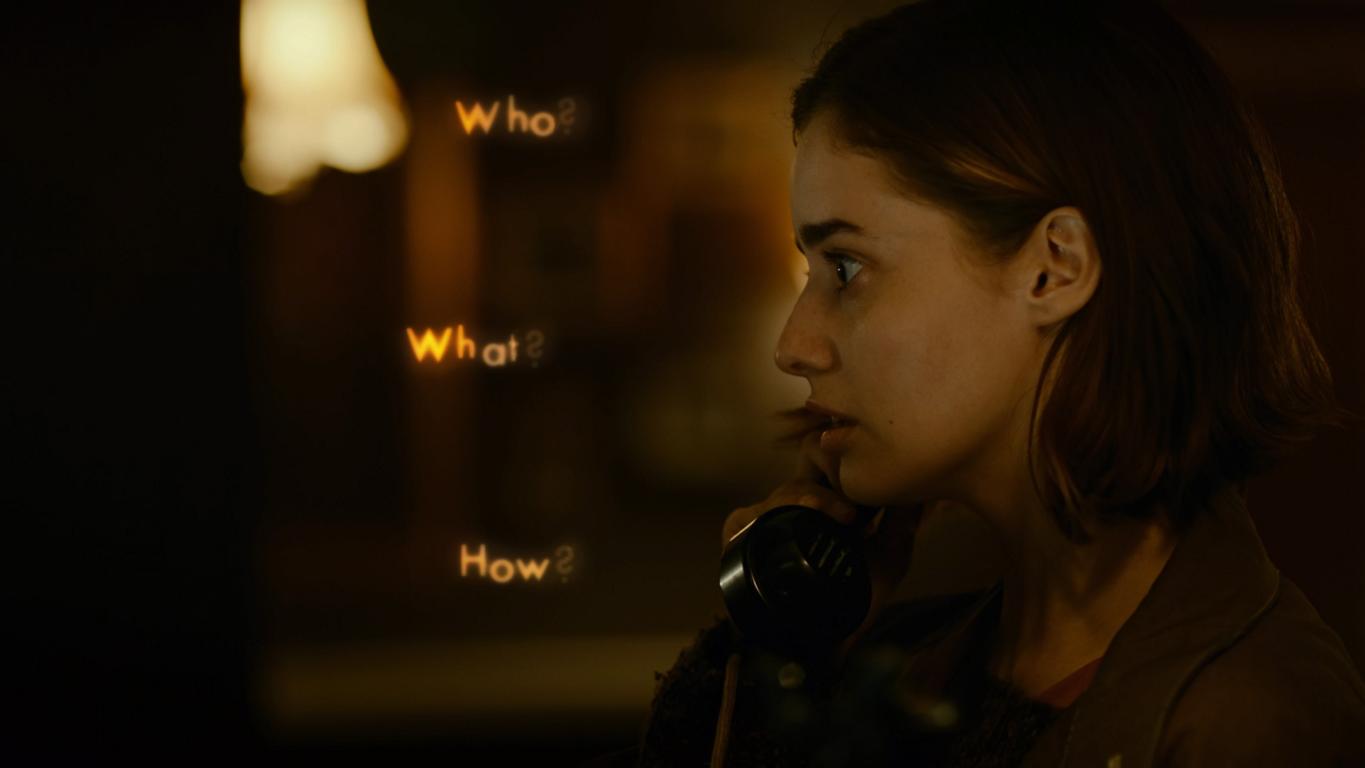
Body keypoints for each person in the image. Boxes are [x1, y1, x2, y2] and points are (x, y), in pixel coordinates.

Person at [631, 1, 1365, 766]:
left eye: (845, 268)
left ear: (1055, 268)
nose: (793, 347)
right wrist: (787, 652)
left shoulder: (1253, 722)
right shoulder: (918, 666)